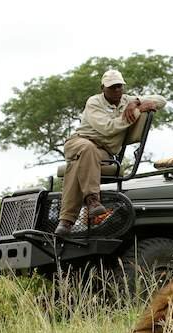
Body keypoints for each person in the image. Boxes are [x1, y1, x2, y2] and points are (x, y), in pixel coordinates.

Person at [55, 70, 166, 236]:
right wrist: (137, 111)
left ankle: (66, 221)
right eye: (112, 87)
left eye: (119, 86)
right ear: (103, 88)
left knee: (79, 163)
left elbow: (161, 100)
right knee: (87, 149)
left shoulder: (127, 100)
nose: (117, 90)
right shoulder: (94, 102)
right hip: (78, 142)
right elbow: (108, 128)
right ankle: (92, 200)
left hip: (103, 153)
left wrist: (135, 102)